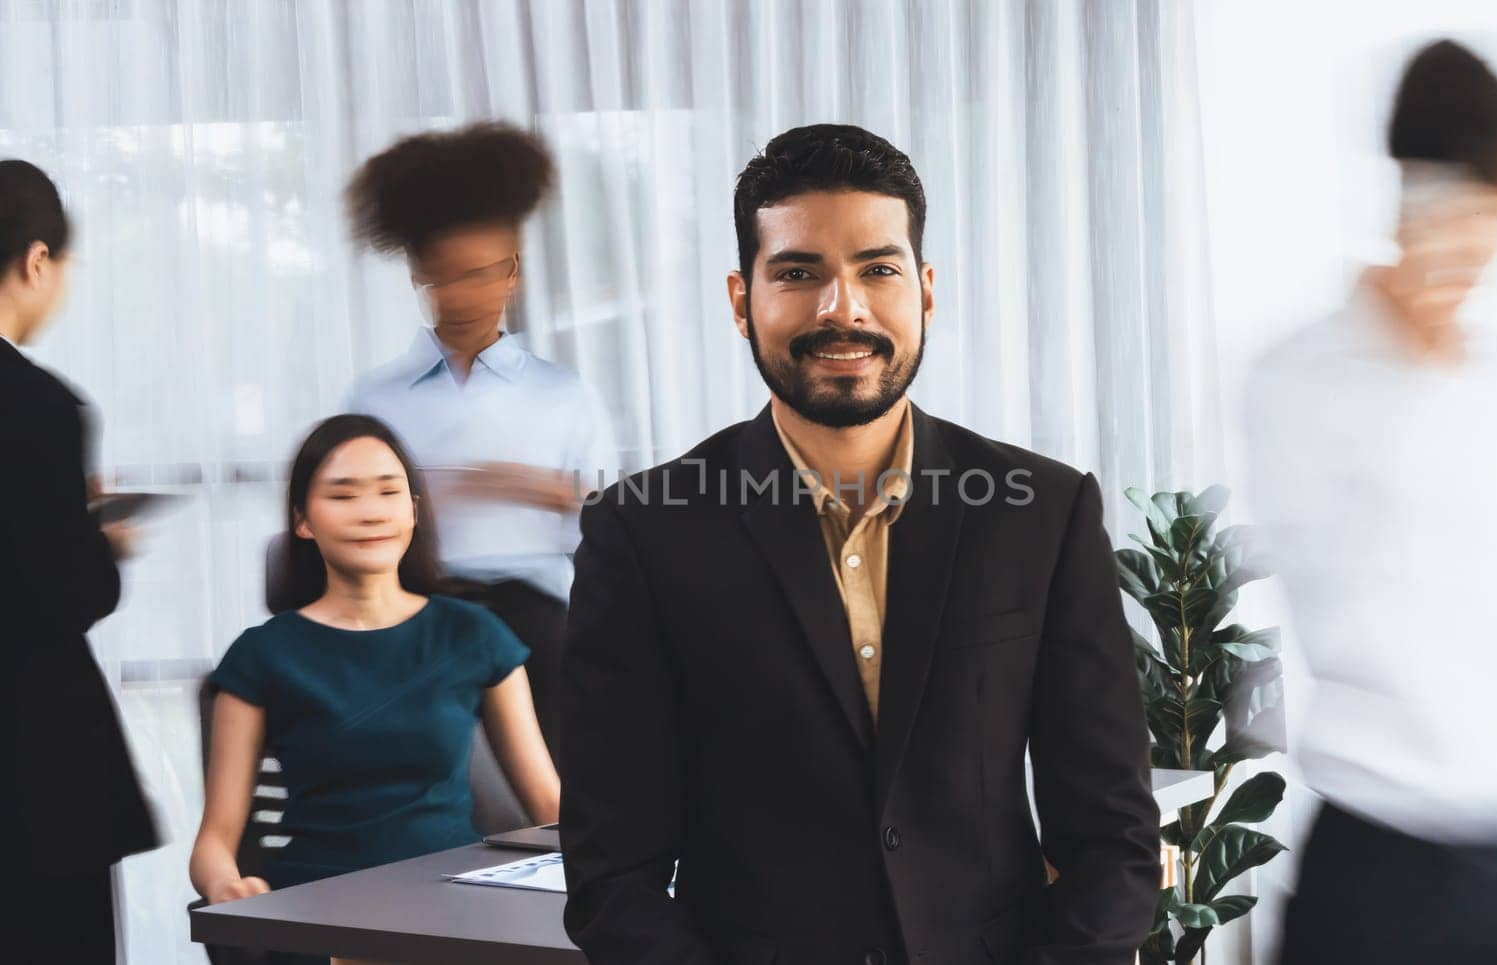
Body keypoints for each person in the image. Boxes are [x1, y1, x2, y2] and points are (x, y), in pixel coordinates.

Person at [560, 124, 1159, 965]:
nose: (843, 308)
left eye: (878, 268)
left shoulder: (1043, 510)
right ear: (742, 300)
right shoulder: (644, 529)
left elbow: (1112, 834)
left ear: (926, 289)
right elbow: (611, 875)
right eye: (799, 272)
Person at [1247, 40, 1497, 964]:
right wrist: (1401, 340)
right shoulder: (1301, 378)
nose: (1479, 252)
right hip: (1375, 855)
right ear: (1413, 193)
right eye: (1465, 215)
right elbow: (1349, 601)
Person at [188, 416, 559, 948]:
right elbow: (214, 842)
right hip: (320, 912)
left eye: (389, 491)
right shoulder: (262, 654)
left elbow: (549, 807)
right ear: (302, 521)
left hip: (457, 911)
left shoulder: (474, 634)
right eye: (343, 496)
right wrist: (227, 885)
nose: (370, 512)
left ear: (413, 511)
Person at [343, 122, 616, 766]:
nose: (466, 295)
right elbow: (336, 507)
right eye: (447, 277)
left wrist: (525, 485)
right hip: (411, 607)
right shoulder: (375, 400)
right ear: (418, 275)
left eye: (483, 273)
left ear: (513, 271)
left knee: (558, 764)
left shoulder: (565, 394)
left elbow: (611, 513)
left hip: (533, 615)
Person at [0, 158, 158, 963]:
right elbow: (61, 594)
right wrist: (102, 541)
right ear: (35, 261)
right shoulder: (40, 406)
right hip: (31, 768)